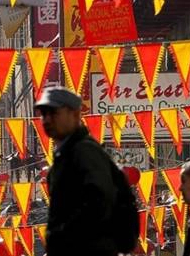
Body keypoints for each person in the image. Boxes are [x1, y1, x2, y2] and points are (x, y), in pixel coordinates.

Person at [35, 86, 118, 256]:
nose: (47, 120)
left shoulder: (84, 152)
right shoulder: (66, 154)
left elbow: (99, 204)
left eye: (54, 113)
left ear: (75, 114)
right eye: (43, 114)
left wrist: (65, 237)